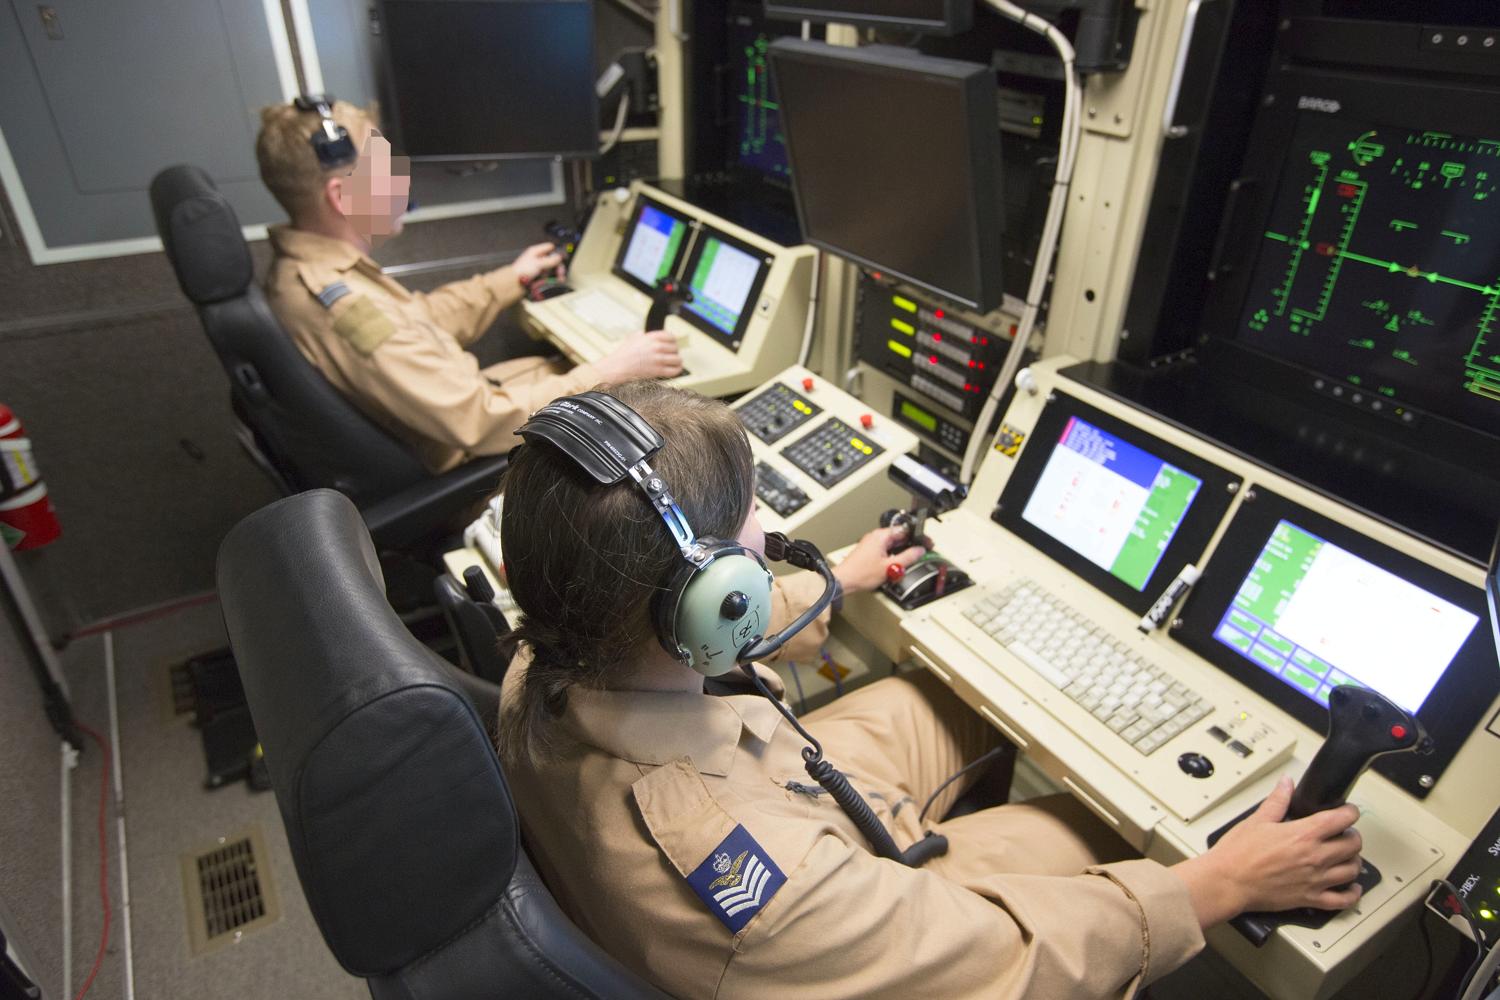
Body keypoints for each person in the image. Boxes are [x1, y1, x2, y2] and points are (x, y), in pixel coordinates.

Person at [495, 381, 1367, 999]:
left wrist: (836, 577)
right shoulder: (769, 897)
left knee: (937, 699)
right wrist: (1219, 883)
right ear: (710, 598)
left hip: (762, 776)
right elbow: (1007, 961)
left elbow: (663, 629)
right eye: (748, 519)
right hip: (819, 880)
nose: (763, 530)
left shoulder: (548, 650)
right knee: (1085, 823)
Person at [254, 98, 683, 473]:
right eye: (386, 170)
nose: (401, 183)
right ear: (341, 196)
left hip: (469, 409)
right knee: (653, 421)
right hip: (480, 457)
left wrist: (507, 280)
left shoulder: (317, 272)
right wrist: (608, 373)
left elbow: (415, 321)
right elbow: (480, 420)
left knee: (574, 366)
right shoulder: (343, 307)